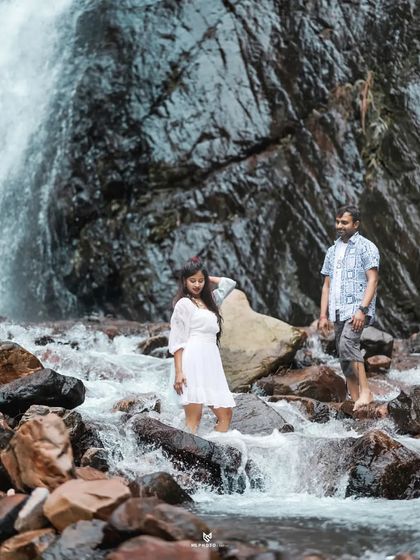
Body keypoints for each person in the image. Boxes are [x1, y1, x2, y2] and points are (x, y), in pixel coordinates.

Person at [318, 205, 380, 410]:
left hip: (357, 309)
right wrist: (323, 316)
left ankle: (366, 392)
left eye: (344, 222)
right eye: (337, 222)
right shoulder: (332, 251)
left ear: (356, 224)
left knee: (347, 345)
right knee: (343, 355)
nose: (339, 226)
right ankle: (355, 400)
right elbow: (326, 285)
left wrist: (362, 309)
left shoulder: (366, 247)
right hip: (337, 310)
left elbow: (373, 281)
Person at [168, 256, 236, 433]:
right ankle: (188, 457)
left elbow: (229, 283)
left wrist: (203, 273)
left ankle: (215, 452)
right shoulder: (184, 304)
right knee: (194, 419)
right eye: (192, 280)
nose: (197, 285)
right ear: (184, 281)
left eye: (200, 280)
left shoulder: (210, 301)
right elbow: (177, 341)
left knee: (226, 414)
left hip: (211, 362)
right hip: (192, 360)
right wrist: (179, 372)